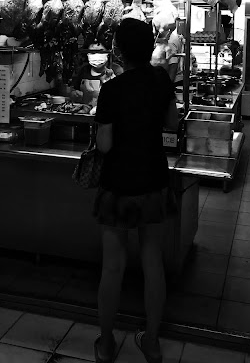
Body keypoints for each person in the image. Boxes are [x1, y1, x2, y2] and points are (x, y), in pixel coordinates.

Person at [93, 19, 179, 363]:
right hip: (153, 180)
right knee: (152, 261)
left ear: (120, 50)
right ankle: (153, 342)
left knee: (112, 266)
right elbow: (172, 123)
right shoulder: (161, 80)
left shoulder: (112, 89)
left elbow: (104, 144)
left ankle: (106, 343)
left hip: (118, 184)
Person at [71, 42, 123, 106]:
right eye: (92, 52)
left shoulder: (117, 70)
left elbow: (123, 97)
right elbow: (74, 89)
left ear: (107, 53)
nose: (96, 55)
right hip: (85, 112)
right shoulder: (84, 70)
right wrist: (74, 94)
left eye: (100, 52)